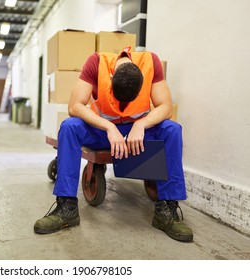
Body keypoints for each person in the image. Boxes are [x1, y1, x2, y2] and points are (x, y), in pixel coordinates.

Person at [34, 46, 193, 242]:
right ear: (110, 80)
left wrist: (141, 124)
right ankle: (66, 207)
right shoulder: (96, 63)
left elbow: (166, 107)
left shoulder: (151, 62)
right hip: (102, 130)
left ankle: (166, 210)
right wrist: (109, 127)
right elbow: (74, 105)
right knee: (69, 127)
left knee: (172, 130)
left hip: (136, 131)